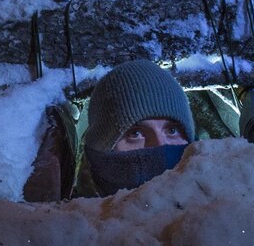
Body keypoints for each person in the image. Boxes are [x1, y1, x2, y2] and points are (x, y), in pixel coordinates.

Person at [82, 59, 194, 192]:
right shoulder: (66, 211)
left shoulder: (219, 204)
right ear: (101, 147)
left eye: (172, 130)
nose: (160, 145)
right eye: (135, 134)